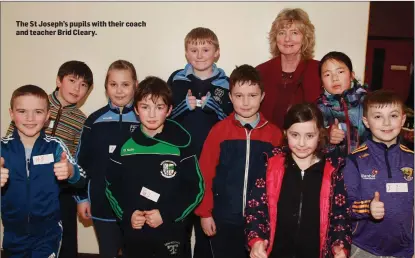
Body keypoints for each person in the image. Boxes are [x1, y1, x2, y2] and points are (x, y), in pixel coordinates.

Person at [105, 76, 204, 258]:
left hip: (171, 232)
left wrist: (166, 215)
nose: (151, 114)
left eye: (159, 108)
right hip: (135, 235)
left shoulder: (181, 145)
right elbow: (112, 187)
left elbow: (196, 189)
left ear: (169, 111)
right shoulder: (125, 147)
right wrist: (128, 215)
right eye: (145, 107)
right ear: (135, 109)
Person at [5, 60, 93, 258]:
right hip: (25, 185)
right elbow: (10, 142)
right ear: (58, 81)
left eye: (83, 85)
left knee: (65, 242)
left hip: (61, 188)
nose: (77, 88)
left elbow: (79, 160)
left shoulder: (81, 120)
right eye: (72, 80)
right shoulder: (34, 102)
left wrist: (81, 197)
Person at [194, 64, 282, 258]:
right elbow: (204, 174)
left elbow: (279, 182)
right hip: (223, 219)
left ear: (262, 96)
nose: (245, 102)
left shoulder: (274, 135)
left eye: (252, 95)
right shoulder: (219, 131)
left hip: (260, 224)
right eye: (239, 95)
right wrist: (205, 213)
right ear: (230, 97)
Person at [246, 103, 351, 258]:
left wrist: (339, 246)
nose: (302, 143)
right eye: (295, 135)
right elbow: (256, 209)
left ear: (320, 135)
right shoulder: (271, 166)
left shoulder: (333, 172)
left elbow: (340, 216)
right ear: (285, 133)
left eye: (309, 136)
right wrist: (256, 240)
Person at [167, 27, 233, 258]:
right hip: (181, 165)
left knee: (207, 229)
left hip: (214, 167)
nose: (200, 54)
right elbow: (162, 119)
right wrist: (184, 107)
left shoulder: (227, 84)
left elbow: (234, 121)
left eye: (206, 49)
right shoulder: (176, 80)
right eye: (193, 50)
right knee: (178, 228)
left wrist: (214, 108)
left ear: (216, 52)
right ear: (186, 53)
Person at [75, 60, 140, 257]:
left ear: (136, 85)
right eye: (113, 84)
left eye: (125, 84)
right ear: (106, 87)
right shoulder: (94, 121)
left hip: (136, 207)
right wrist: (82, 198)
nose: (119, 91)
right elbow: (81, 162)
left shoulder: (145, 118)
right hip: (101, 204)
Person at [343, 90, 414, 258]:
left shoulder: (412, 159)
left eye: (393, 116)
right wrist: (367, 208)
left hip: (405, 251)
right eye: (378, 117)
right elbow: (344, 206)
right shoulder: (355, 160)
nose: (387, 123)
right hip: (364, 249)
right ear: (366, 122)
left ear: (403, 119)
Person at [257, 8, 321, 129]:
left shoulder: (319, 71)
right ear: (275, 38)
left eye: (294, 33)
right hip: (267, 144)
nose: (287, 39)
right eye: (282, 32)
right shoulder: (261, 72)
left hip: (306, 144)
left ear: (305, 38)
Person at [316, 51, 369, 156]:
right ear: (322, 82)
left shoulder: (368, 103)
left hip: (366, 166)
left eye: (340, 72)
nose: (334, 78)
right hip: (333, 167)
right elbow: (310, 143)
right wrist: (327, 136)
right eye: (327, 74)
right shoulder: (319, 109)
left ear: (352, 75)